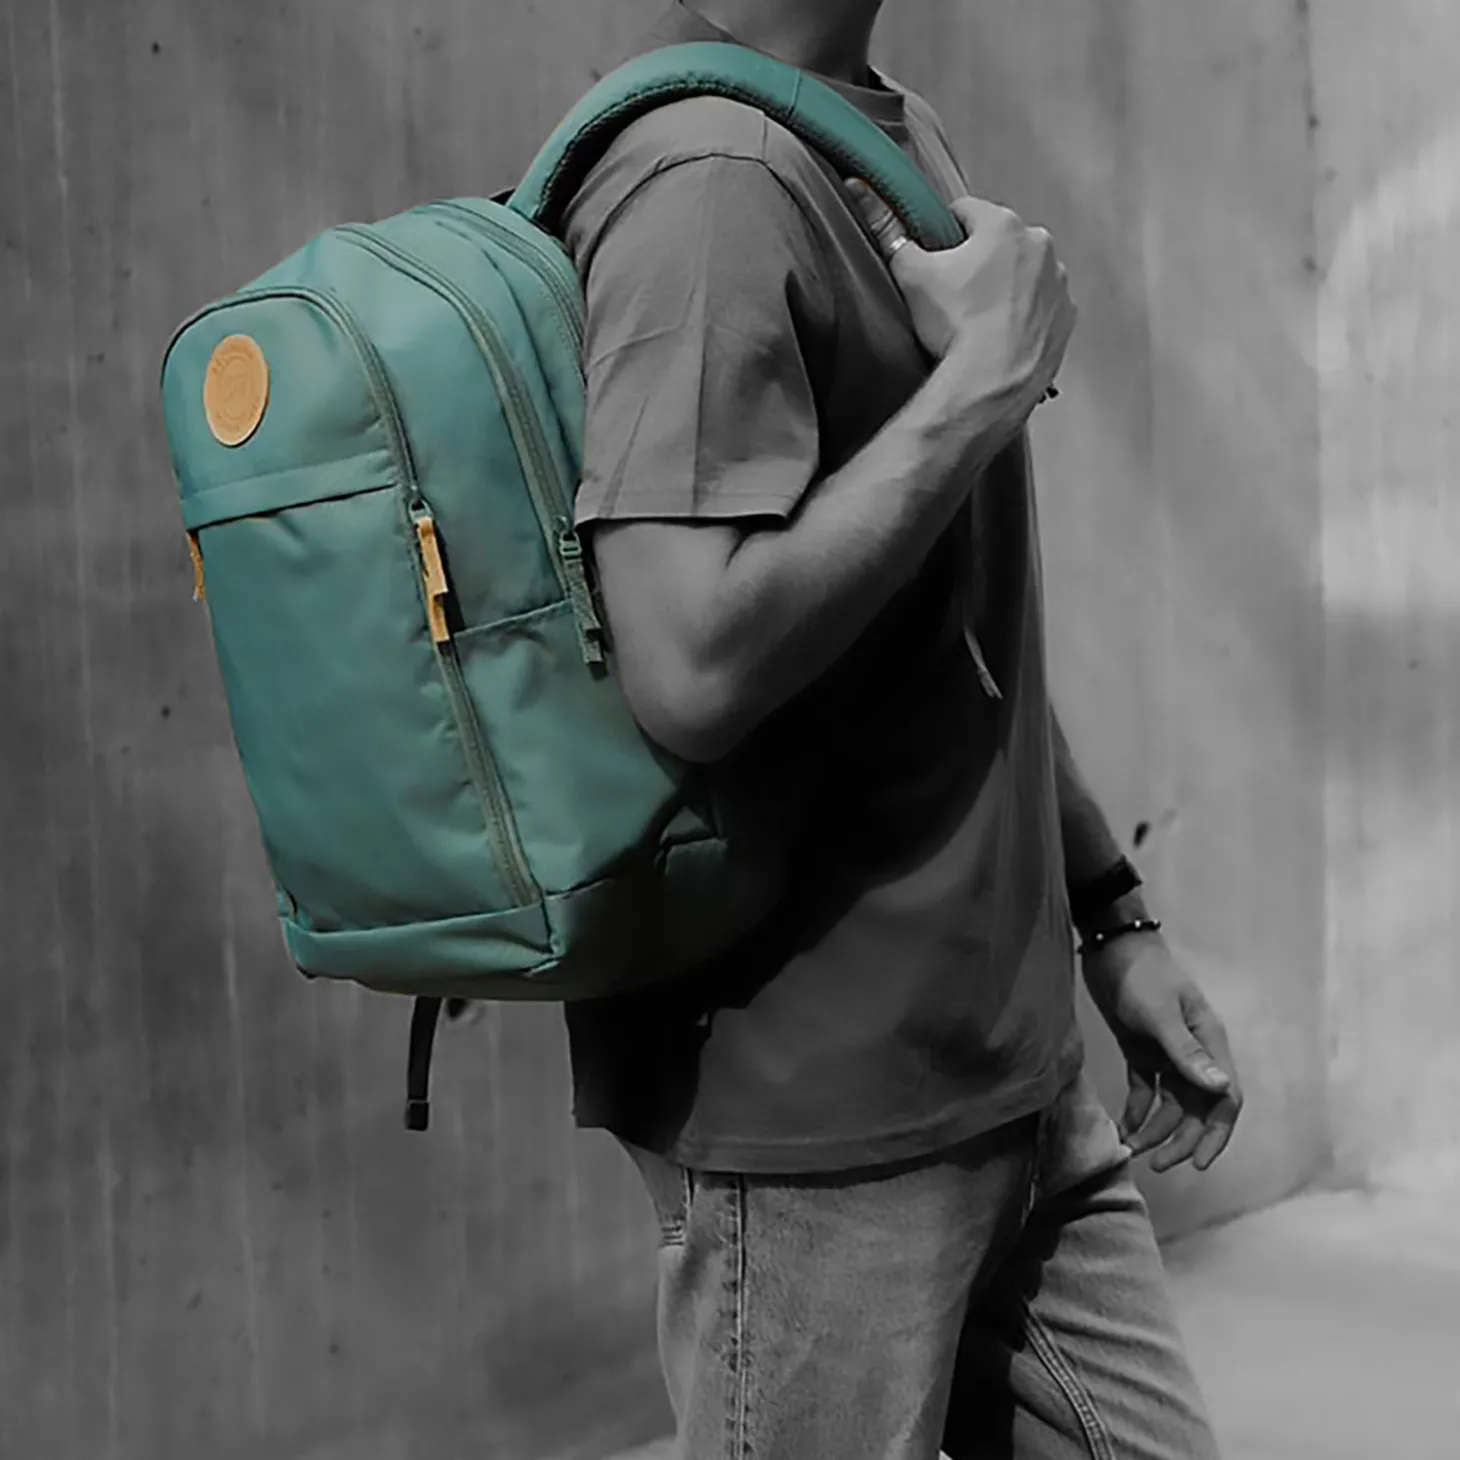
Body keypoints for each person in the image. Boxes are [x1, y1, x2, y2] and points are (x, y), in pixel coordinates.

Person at [559, 3, 1243, 1456]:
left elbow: (957, 624)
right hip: (822, 1133)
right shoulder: (708, 185)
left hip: (1013, 1079)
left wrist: (1110, 913)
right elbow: (689, 664)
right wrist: (981, 388)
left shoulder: (881, 123)